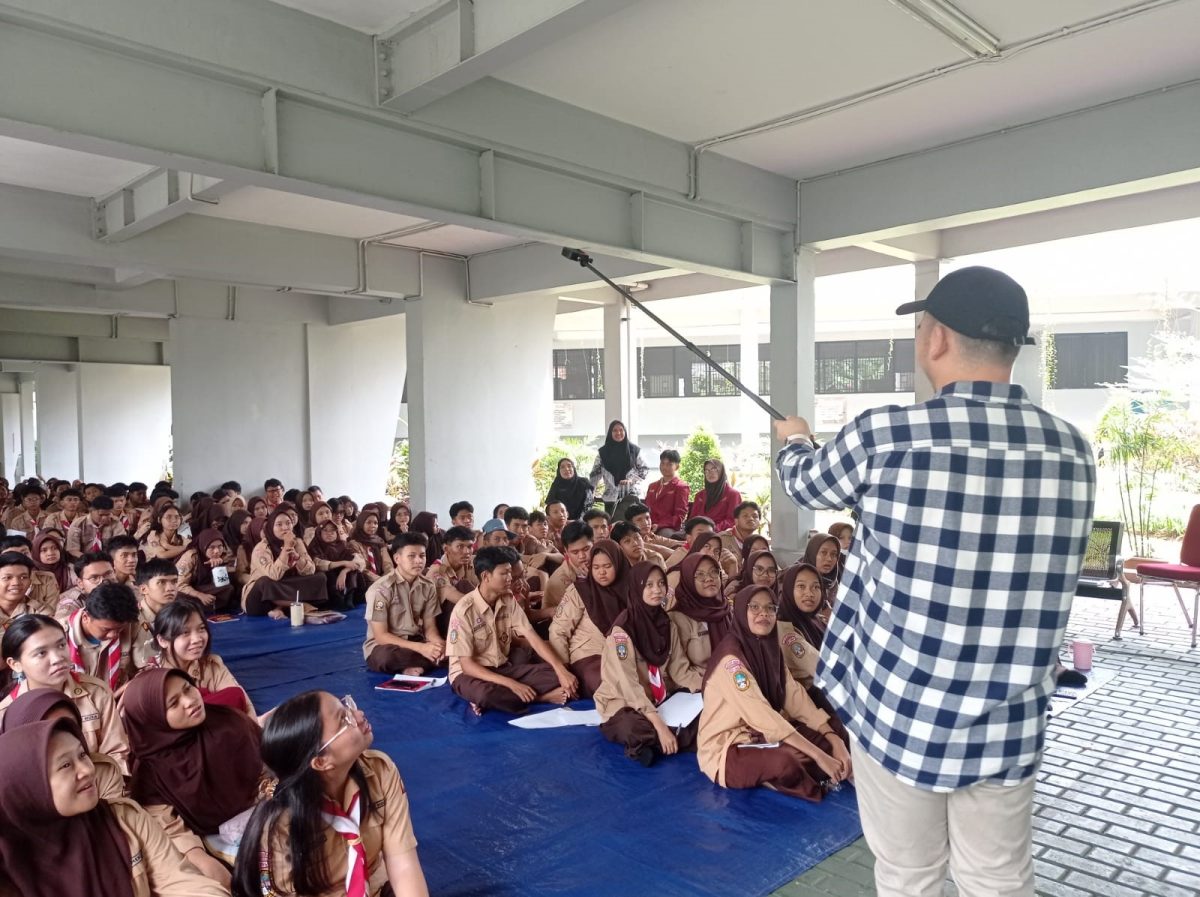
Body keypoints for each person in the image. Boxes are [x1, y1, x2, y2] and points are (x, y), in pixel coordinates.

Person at [773, 266, 1096, 897]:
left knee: (908, 878)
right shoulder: (1073, 451)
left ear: (937, 338)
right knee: (999, 881)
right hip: (1008, 719)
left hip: (900, 711)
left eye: (921, 326)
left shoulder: (887, 434)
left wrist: (794, 441)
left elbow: (806, 484)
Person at [0, 718, 228, 897]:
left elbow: (184, 884)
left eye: (82, 755)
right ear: (26, 784)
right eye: (66, 765)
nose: (87, 770)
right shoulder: (8, 862)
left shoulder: (124, 819)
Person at [231, 691, 429, 897]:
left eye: (348, 707)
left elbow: (403, 864)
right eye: (344, 719)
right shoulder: (280, 826)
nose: (359, 714)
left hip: (373, 887)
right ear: (320, 762)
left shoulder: (379, 771)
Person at [698, 586, 852, 801]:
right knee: (785, 762)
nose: (764, 614)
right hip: (731, 745)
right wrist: (818, 755)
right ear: (742, 612)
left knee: (836, 728)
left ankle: (797, 765)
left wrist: (833, 738)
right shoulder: (730, 661)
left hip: (767, 735)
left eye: (771, 608)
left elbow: (795, 697)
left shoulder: (770, 648)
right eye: (755, 607)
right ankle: (789, 769)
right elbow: (761, 714)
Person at [121, 668, 263, 886]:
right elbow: (169, 825)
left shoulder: (230, 722)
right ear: (153, 716)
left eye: (188, 688)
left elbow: (268, 768)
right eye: (173, 703)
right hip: (209, 842)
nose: (189, 701)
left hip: (265, 815)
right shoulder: (151, 770)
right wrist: (199, 857)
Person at [447, 546, 577, 715]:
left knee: (559, 674)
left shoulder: (507, 599)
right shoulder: (464, 610)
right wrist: (512, 684)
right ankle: (540, 698)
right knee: (485, 694)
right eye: (504, 573)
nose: (510, 578)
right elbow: (467, 666)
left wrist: (561, 670)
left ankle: (504, 698)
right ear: (486, 576)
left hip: (502, 668)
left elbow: (532, 637)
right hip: (470, 675)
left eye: (511, 572)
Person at [595, 563, 702, 766]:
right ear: (636, 588)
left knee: (705, 710)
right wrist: (660, 726)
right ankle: (665, 737)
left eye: (661, 583)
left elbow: (680, 671)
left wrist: (708, 687)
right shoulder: (621, 633)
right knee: (631, 727)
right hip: (624, 703)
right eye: (649, 585)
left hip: (660, 700)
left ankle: (653, 745)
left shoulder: (666, 624)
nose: (657, 590)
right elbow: (630, 687)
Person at [0, 614, 130, 774]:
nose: (57, 658)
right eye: (41, 653)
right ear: (15, 664)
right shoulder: (6, 714)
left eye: (61, 645)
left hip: (100, 790)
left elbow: (116, 753)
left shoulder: (96, 693)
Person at [0, 687, 125, 800]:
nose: (87, 770)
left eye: (70, 727)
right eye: (50, 732)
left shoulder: (102, 772)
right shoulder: (8, 798)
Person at [548, 539, 628, 697]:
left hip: (624, 654)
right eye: (596, 567)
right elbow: (557, 631)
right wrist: (564, 669)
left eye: (607, 566)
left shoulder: (632, 590)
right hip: (590, 655)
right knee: (608, 683)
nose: (601, 572)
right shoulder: (580, 591)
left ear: (618, 565)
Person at [150, 598, 256, 715]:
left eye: (201, 629)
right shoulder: (151, 679)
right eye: (185, 632)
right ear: (163, 640)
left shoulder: (212, 665)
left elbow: (243, 703)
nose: (197, 639)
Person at [363, 533, 443, 676]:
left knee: (446, 651)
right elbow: (381, 636)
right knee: (386, 658)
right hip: (386, 646)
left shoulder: (428, 586)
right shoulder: (381, 589)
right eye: (411, 556)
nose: (418, 561)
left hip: (415, 639)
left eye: (422, 556)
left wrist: (438, 645)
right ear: (397, 558)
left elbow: (430, 627)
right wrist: (421, 648)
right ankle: (420, 662)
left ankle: (415, 664)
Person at [241, 507, 328, 619]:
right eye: (279, 524)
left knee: (320, 577)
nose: (285, 528)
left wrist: (298, 559)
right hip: (260, 600)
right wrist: (286, 548)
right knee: (264, 582)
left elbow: (310, 570)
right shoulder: (261, 548)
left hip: (283, 587)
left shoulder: (297, 542)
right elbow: (274, 575)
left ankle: (279, 608)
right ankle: (299, 605)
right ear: (271, 527)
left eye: (288, 523)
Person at [63, 581, 139, 692]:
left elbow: (146, 667)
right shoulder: (58, 634)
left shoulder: (132, 625)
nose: (114, 635)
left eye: (120, 629)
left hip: (119, 699)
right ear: (85, 617)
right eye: (106, 629)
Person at [668, 553, 731, 673]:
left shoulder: (727, 609)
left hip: (734, 679)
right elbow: (678, 672)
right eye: (700, 574)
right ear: (688, 579)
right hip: (698, 686)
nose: (709, 578)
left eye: (714, 571)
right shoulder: (677, 619)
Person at [588, 420, 649, 515]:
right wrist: (591, 492)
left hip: (631, 496)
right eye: (615, 430)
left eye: (621, 430)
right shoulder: (603, 452)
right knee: (613, 527)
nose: (618, 433)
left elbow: (644, 469)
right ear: (610, 433)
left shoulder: (634, 450)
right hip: (610, 497)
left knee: (632, 526)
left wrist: (631, 480)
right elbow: (595, 473)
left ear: (625, 431)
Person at [130, 558, 181, 670]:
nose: (170, 588)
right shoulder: (133, 620)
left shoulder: (180, 615)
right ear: (143, 589)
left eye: (174, 581)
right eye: (161, 582)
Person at [309, 519, 366, 609]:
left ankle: (349, 598)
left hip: (345, 578)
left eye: (333, 530)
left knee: (353, 570)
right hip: (329, 580)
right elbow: (318, 563)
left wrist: (344, 571)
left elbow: (359, 560)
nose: (329, 533)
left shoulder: (343, 544)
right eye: (325, 530)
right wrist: (343, 563)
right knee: (328, 574)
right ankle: (338, 601)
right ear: (319, 532)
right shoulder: (315, 546)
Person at [541, 520, 593, 616]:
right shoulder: (561, 580)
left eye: (586, 549)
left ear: (593, 543)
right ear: (566, 551)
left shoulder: (601, 561)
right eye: (575, 552)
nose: (582, 556)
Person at [54, 550, 116, 620]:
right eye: (94, 578)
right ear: (80, 583)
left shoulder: (122, 592)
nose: (104, 581)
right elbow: (60, 626)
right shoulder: (71, 602)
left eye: (108, 574)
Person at [643, 449, 690, 536]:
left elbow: (680, 515)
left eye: (669, 464)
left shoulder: (681, 487)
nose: (665, 467)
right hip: (648, 525)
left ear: (677, 466)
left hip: (667, 527)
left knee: (664, 534)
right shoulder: (652, 486)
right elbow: (645, 509)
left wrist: (660, 525)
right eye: (662, 463)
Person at [0, 552, 52, 630]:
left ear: (30, 582)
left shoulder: (40, 612)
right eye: (7, 577)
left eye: (23, 577)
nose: (16, 583)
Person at [687, 460, 741, 533]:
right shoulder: (700, 495)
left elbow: (732, 520)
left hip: (721, 534)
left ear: (721, 472)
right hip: (698, 533)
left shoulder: (733, 494)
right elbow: (692, 518)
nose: (710, 473)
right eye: (707, 471)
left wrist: (712, 529)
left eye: (714, 469)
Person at [65, 495, 119, 559]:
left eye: (108, 514)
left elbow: (120, 546)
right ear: (91, 510)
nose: (104, 518)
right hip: (84, 560)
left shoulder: (115, 523)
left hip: (108, 559)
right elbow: (73, 550)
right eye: (101, 515)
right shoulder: (78, 524)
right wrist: (90, 560)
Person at [349, 510, 393, 588]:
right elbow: (361, 567)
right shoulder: (354, 543)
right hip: (364, 582)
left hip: (381, 580)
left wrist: (389, 577)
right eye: (369, 522)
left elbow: (387, 563)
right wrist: (379, 581)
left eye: (375, 523)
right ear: (361, 523)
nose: (373, 525)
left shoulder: (379, 541)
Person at [717, 501, 763, 574]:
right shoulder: (721, 539)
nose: (751, 519)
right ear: (736, 521)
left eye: (755, 516)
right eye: (745, 516)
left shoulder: (760, 542)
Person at [803, 532, 843, 603]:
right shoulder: (796, 578)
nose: (829, 559)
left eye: (834, 554)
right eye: (824, 553)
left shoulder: (832, 582)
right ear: (813, 553)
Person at [33, 530, 73, 594]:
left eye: (54, 548)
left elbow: (79, 587)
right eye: (44, 550)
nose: (50, 553)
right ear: (36, 553)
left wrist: (62, 597)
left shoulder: (69, 569)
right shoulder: (30, 573)